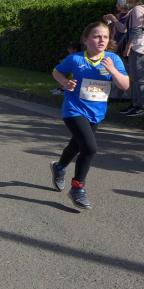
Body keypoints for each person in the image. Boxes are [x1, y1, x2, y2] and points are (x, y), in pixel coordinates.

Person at [50, 22, 129, 209]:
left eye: (105, 37)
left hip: (96, 113)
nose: (102, 40)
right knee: (90, 148)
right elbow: (56, 71)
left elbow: (125, 85)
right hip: (74, 110)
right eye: (96, 36)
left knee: (76, 145)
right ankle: (77, 188)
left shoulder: (113, 59)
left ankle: (59, 167)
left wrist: (112, 70)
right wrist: (65, 83)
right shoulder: (76, 59)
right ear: (85, 39)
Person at [120, 0, 144, 117]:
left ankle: (140, 106)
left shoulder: (137, 9)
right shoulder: (137, 9)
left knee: (138, 79)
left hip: (138, 48)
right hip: (139, 47)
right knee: (135, 78)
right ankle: (135, 104)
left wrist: (128, 46)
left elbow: (136, 30)